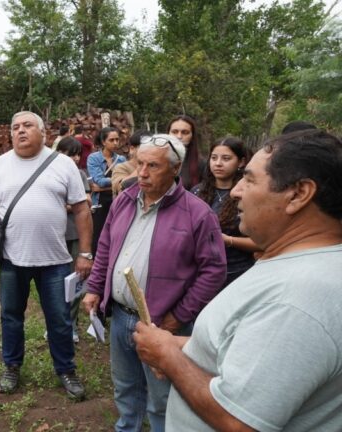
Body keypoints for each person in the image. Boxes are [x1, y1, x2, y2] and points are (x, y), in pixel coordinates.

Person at [134, 130, 342, 431]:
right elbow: (261, 351)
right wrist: (186, 346)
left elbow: (240, 421)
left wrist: (168, 356)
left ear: (298, 194)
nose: (235, 191)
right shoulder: (302, 268)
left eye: (250, 180)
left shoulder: (298, 297)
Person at [83, 133, 226, 431]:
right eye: (140, 164)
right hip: (121, 316)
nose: (143, 173)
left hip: (163, 324)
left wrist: (178, 317)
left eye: (153, 166)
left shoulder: (197, 213)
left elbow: (213, 271)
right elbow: (106, 246)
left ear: (175, 169)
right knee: (125, 390)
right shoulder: (124, 200)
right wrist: (96, 287)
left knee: (162, 400)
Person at [0, 111, 94, 401]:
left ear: (43, 132)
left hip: (55, 261)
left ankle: (66, 369)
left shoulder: (63, 165)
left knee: (60, 319)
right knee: (11, 317)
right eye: (15, 127)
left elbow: (81, 209)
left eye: (27, 126)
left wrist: (86, 253)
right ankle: (12, 367)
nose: (20, 131)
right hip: (12, 260)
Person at [191, 137, 260, 286]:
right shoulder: (197, 192)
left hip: (236, 273)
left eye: (226, 158)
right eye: (214, 158)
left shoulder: (247, 194)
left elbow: (261, 243)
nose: (218, 163)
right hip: (198, 272)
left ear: (241, 162)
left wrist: (229, 240)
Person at [53, 136, 91, 343]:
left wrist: (65, 204)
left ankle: (72, 324)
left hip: (75, 234)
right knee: (54, 282)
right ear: (59, 152)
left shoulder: (80, 175)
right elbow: (79, 204)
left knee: (75, 280)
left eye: (78, 154)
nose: (75, 158)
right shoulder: (48, 173)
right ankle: (54, 322)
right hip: (54, 235)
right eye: (70, 153)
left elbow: (85, 203)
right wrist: (73, 205)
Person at [87, 127, 126, 255]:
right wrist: (117, 182)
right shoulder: (94, 158)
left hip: (117, 200)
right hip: (100, 202)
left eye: (117, 140)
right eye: (111, 140)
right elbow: (99, 181)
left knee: (116, 232)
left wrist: (108, 184)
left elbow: (126, 182)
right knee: (98, 234)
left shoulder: (121, 159)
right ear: (103, 142)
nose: (115, 143)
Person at [167, 115, 204, 189]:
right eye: (174, 132)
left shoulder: (201, 164)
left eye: (185, 132)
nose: (179, 136)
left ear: (192, 136)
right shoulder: (157, 159)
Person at [111, 129, 150, 196]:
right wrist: (142, 166)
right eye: (144, 147)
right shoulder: (121, 167)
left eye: (150, 147)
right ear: (132, 149)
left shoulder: (154, 167)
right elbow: (121, 187)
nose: (148, 150)